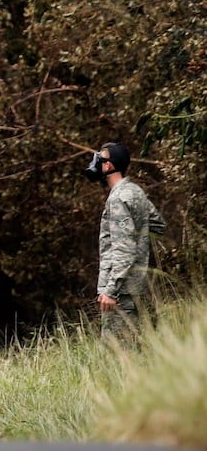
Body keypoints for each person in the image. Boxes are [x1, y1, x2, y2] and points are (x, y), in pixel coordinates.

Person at [86, 141, 165, 341]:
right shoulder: (135, 192)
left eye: (101, 160)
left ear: (109, 166)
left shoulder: (118, 199)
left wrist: (111, 290)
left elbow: (124, 249)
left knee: (116, 357)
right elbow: (158, 224)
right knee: (139, 352)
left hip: (122, 292)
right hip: (139, 286)